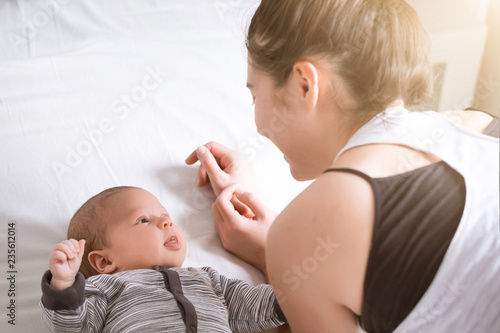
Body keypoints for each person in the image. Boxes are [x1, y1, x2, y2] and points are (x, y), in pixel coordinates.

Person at [185, 0, 500, 332]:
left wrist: (283, 254)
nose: (259, 126)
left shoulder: (301, 232)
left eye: (254, 95)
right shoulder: (478, 123)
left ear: (304, 84)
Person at [39, 186, 287, 333]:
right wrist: (64, 284)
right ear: (104, 262)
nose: (166, 222)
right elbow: (72, 325)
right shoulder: (105, 289)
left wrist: (298, 291)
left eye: (166, 215)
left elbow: (254, 306)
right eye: (143, 220)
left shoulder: (208, 280)